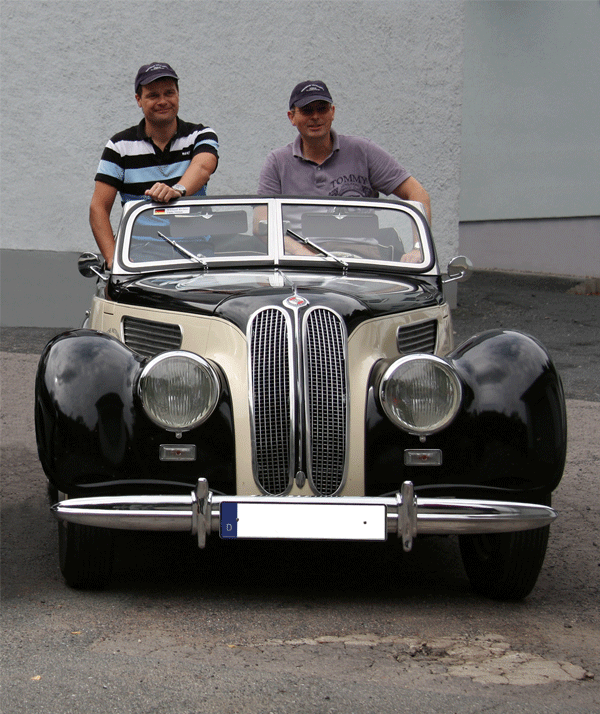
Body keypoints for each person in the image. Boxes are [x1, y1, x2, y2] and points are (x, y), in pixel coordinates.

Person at [257, 81, 430, 260]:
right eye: (307, 111)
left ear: (332, 112)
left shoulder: (363, 151)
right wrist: (300, 252)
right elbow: (260, 224)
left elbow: (418, 194)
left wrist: (419, 249)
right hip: (301, 263)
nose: (315, 116)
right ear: (291, 117)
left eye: (322, 109)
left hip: (363, 262)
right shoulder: (277, 162)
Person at [90, 62, 219, 266]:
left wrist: (177, 190)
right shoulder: (119, 146)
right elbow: (98, 208)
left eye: (169, 93)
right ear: (138, 100)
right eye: (153, 95)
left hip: (197, 255)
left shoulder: (200, 135)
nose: (163, 101)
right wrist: (113, 260)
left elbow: (203, 167)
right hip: (140, 257)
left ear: (178, 95)